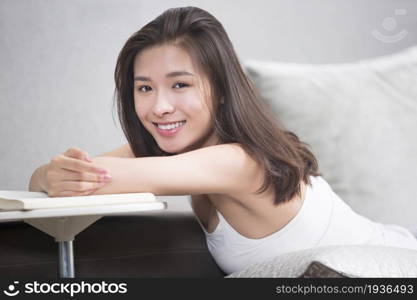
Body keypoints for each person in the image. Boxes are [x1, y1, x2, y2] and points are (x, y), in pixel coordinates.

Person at [28, 6, 417, 275]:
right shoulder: (173, 149)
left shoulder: (239, 161)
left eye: (180, 84)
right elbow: (57, 178)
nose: (160, 106)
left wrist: (61, 174)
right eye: (144, 88)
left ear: (222, 89)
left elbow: (95, 175)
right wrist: (49, 176)